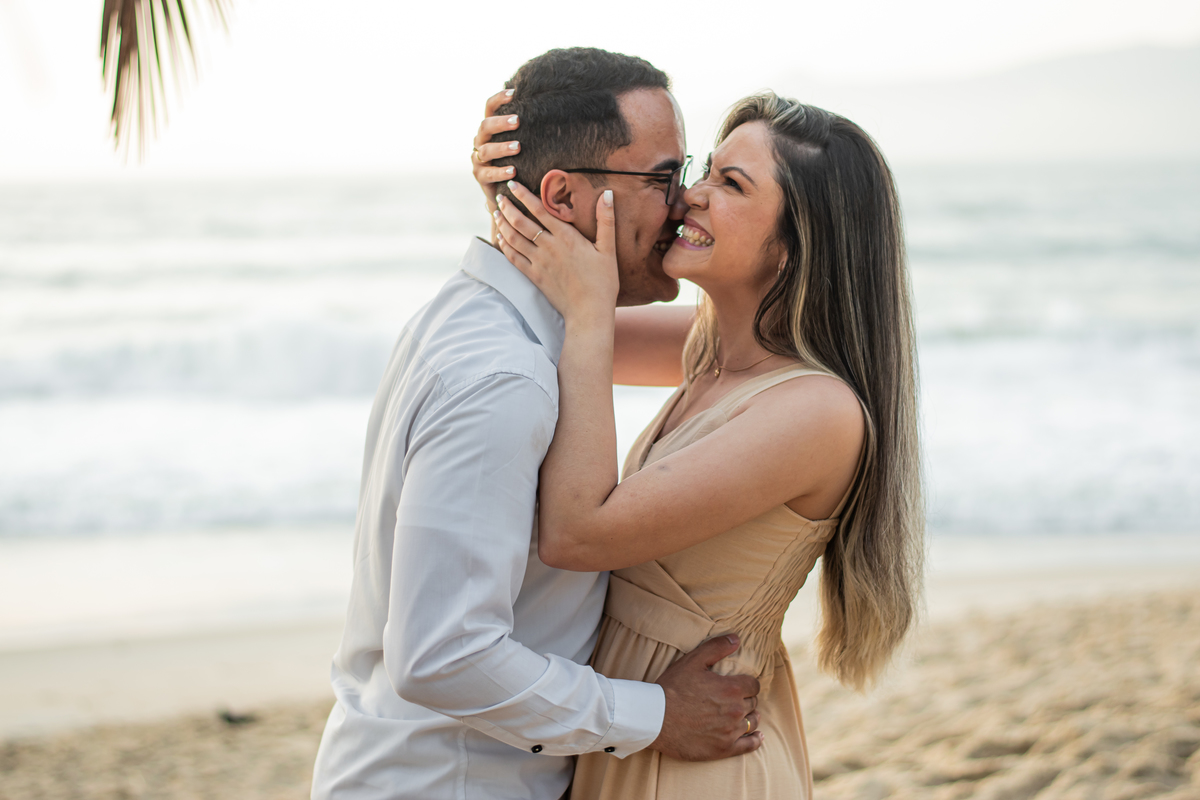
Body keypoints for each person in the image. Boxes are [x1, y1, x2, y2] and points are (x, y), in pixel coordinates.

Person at [309, 48, 764, 800]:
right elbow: (442, 654)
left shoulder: (513, 329)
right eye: (661, 178)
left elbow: (737, 351)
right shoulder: (504, 374)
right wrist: (655, 714)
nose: (681, 203)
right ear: (561, 196)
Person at [485, 92, 925, 798]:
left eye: (731, 185)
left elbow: (578, 532)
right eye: (707, 172)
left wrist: (594, 309)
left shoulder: (817, 411)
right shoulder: (710, 354)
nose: (689, 196)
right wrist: (516, 182)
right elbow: (535, 319)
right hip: (642, 721)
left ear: (793, 246)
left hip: (705, 756)